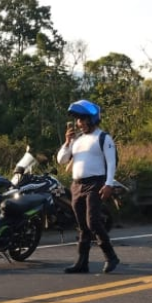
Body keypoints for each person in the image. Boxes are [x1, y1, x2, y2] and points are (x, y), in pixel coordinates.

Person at [56, 99, 121, 274]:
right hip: (77, 185)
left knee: (93, 221)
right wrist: (67, 142)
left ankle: (111, 256)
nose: (79, 123)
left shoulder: (103, 138)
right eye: (77, 120)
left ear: (92, 119)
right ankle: (82, 262)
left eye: (82, 119)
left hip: (95, 184)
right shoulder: (77, 140)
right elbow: (61, 160)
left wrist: (109, 184)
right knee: (82, 225)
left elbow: (111, 162)